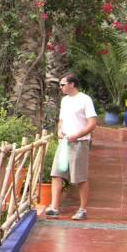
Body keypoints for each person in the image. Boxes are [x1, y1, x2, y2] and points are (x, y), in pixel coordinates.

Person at [45, 73, 97, 221]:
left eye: (63, 84)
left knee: (79, 176)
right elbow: (61, 120)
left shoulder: (85, 100)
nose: (60, 87)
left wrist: (78, 135)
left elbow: (92, 123)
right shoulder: (64, 101)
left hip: (80, 143)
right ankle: (54, 207)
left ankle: (82, 209)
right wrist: (59, 130)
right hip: (64, 143)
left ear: (72, 84)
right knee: (56, 173)